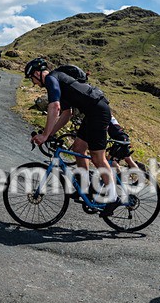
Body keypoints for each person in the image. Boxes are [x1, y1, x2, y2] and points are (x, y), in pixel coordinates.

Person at [25, 57, 123, 216]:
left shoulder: (51, 79)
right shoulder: (59, 83)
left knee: (97, 157)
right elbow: (66, 114)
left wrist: (44, 135)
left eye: (32, 79)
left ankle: (113, 198)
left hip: (98, 111)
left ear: (37, 73)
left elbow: (54, 107)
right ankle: (84, 187)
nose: (34, 83)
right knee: (78, 147)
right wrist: (49, 134)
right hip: (92, 113)